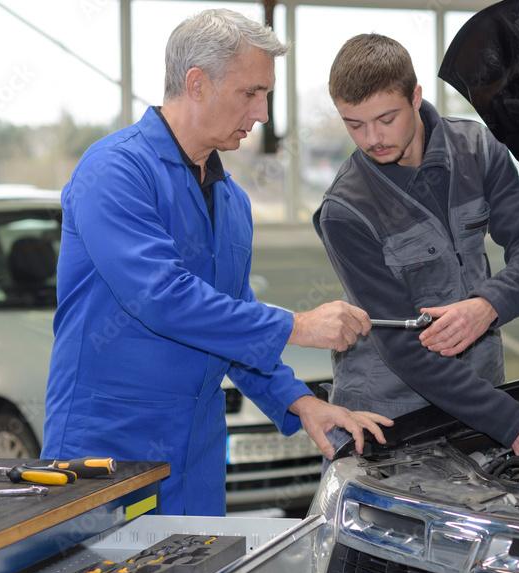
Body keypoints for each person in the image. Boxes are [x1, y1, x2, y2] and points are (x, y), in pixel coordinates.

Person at [42, 10, 391, 516]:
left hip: (197, 458)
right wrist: (299, 325)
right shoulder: (115, 172)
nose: (264, 113)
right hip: (108, 451)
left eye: (266, 94)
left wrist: (299, 402)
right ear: (197, 83)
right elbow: (162, 298)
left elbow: (229, 319)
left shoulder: (231, 201)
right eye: (251, 92)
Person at [314, 34, 519, 459]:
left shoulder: (478, 151)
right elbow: (404, 349)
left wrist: (487, 305)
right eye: (354, 124)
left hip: (480, 393)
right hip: (388, 417)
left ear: (415, 97)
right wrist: (512, 423)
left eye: (385, 118)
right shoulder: (345, 210)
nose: (372, 138)